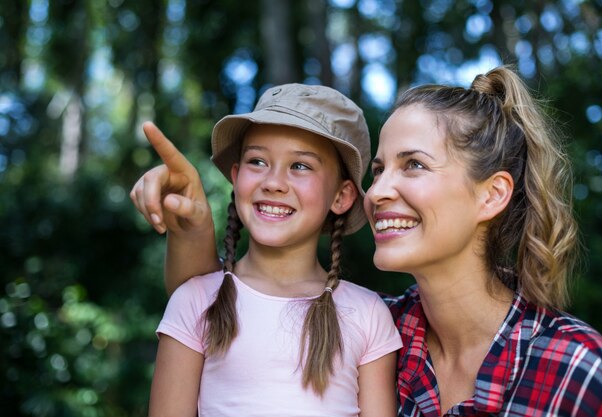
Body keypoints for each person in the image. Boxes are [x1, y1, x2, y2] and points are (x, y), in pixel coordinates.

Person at [132, 67, 602, 416]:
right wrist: (193, 226)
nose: (380, 191)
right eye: (379, 169)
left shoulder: (580, 373)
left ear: (492, 195)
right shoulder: (385, 326)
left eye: (412, 164)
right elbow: (210, 305)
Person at [133, 84, 403, 417]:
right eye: (258, 161)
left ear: (341, 196)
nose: (273, 182)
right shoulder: (194, 300)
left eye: (300, 166)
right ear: (236, 177)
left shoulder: (368, 314)